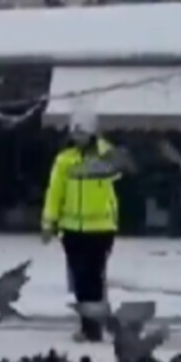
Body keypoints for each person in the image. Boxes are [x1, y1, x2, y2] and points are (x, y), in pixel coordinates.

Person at [42, 108, 122, 342]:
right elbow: (55, 192)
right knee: (80, 280)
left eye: (83, 133)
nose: (78, 138)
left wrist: (99, 146)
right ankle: (89, 325)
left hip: (101, 228)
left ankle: (94, 327)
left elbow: (118, 170)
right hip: (72, 229)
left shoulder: (105, 157)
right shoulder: (64, 160)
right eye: (75, 133)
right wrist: (49, 222)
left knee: (94, 279)